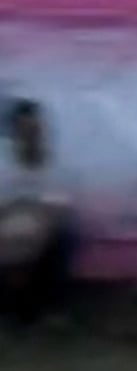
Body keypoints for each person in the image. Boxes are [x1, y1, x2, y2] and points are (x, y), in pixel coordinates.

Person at [0, 98, 78, 329]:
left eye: (35, 128)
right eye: (24, 129)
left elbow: (60, 204)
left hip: (44, 224)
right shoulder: (3, 163)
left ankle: (49, 306)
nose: (30, 134)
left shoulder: (57, 163)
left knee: (66, 235)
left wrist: (38, 225)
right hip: (9, 223)